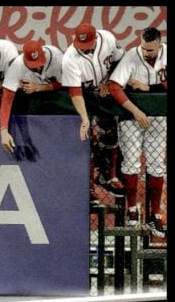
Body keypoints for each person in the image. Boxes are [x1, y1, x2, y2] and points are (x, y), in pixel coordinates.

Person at [108, 27, 167, 237]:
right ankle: (132, 210)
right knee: (131, 163)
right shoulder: (132, 55)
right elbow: (114, 86)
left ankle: (155, 215)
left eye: (150, 50)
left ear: (160, 44)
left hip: (159, 118)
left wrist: (149, 88)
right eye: (144, 48)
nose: (146, 52)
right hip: (131, 118)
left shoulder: (166, 54)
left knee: (156, 165)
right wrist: (135, 110)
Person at [61, 23, 125, 204]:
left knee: (111, 136)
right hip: (85, 96)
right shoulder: (69, 58)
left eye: (87, 43)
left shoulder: (108, 39)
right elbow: (74, 91)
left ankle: (108, 176)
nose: (82, 47)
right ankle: (88, 186)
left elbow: (121, 61)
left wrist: (112, 82)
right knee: (85, 141)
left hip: (105, 93)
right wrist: (84, 119)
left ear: (96, 38)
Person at [0, 40, 63, 153]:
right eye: (33, 65)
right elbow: (6, 99)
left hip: (56, 97)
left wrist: (39, 87)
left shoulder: (56, 56)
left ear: (43, 53)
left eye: (39, 62)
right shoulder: (17, 66)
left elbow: (66, 83)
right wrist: (4, 131)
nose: (38, 67)